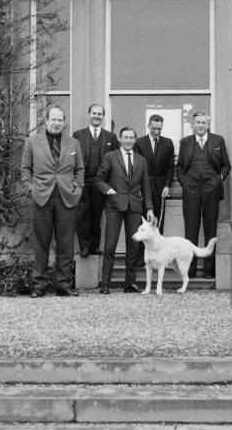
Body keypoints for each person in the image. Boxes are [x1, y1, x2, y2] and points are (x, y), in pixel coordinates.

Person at [21, 106, 84, 297]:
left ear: (64, 123)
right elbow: (25, 169)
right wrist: (30, 189)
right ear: (46, 121)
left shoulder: (74, 143)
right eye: (53, 120)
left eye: (60, 120)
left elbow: (80, 169)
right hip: (41, 197)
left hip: (67, 197)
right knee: (41, 242)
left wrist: (78, 188)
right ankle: (39, 285)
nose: (56, 123)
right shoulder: (32, 142)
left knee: (65, 244)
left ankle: (63, 285)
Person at [95, 127, 154, 294]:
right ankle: (105, 283)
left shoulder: (141, 160)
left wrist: (149, 208)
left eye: (131, 138)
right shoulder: (110, 157)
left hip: (134, 207)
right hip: (114, 205)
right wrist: (109, 190)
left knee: (133, 247)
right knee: (110, 245)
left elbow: (146, 186)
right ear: (120, 139)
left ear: (135, 140)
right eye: (125, 137)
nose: (128, 140)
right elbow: (99, 179)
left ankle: (130, 283)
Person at [176, 110, 231, 279]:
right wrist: (184, 182)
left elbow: (226, 166)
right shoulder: (185, 142)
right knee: (190, 231)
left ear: (208, 124)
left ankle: (209, 270)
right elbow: (179, 167)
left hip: (211, 190)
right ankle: (190, 270)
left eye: (203, 122)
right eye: (197, 122)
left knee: (210, 230)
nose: (200, 125)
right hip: (190, 189)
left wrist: (218, 180)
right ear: (193, 125)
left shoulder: (218, 140)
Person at [73, 104, 119, 257]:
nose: (96, 116)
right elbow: (73, 158)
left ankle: (94, 246)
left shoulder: (110, 137)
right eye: (94, 113)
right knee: (83, 214)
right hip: (83, 180)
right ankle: (84, 247)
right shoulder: (78, 135)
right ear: (89, 114)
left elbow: (115, 160)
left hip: (101, 182)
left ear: (103, 116)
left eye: (100, 114)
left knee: (97, 215)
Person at [134, 114, 174, 234]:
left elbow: (171, 167)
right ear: (148, 126)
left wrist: (167, 186)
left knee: (157, 221)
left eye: (159, 129)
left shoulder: (168, 143)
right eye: (154, 128)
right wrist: (138, 186)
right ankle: (142, 253)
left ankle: (158, 250)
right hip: (143, 188)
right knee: (143, 222)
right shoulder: (139, 142)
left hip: (161, 188)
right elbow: (136, 167)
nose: (156, 131)